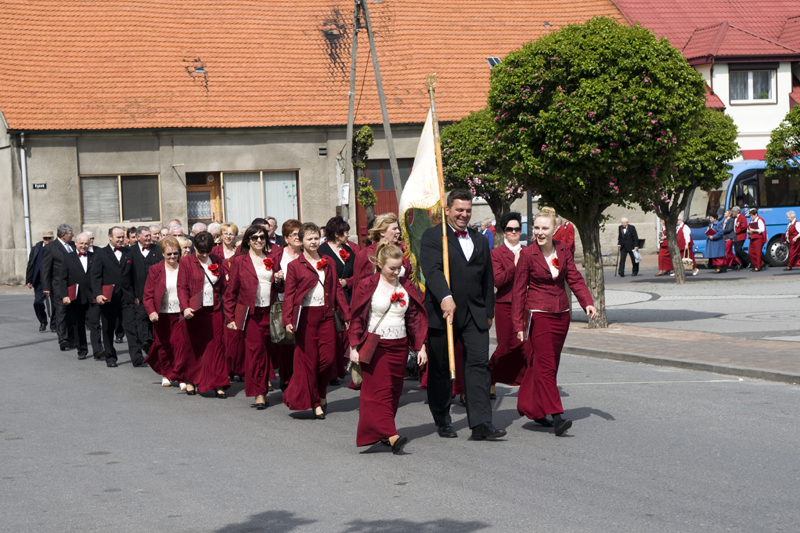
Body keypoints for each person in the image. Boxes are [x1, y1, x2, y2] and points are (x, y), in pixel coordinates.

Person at [420, 189, 504, 440]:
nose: (464, 215)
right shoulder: (433, 237)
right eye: (459, 210)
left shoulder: (479, 239)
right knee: (442, 368)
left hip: (475, 315)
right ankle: (442, 418)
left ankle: (481, 424)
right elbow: (432, 271)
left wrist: (489, 311)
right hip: (443, 313)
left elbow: (487, 278)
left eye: (468, 210)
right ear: (447, 210)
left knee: (478, 365)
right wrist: (445, 297)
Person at [512, 207, 596, 436]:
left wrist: (586, 301)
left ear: (554, 229)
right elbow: (519, 292)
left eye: (544, 228)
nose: (540, 232)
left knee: (545, 365)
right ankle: (557, 416)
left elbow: (575, 278)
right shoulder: (528, 254)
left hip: (562, 315)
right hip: (538, 314)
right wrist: (518, 325)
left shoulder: (563, 248)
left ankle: (532, 408)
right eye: (536, 228)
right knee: (547, 365)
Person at [349, 243, 428, 453]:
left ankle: (383, 432)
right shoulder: (368, 284)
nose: (396, 272)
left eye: (399, 267)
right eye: (392, 268)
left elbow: (413, 319)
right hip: (377, 346)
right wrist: (353, 346)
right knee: (381, 391)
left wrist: (420, 347)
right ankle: (392, 435)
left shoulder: (406, 286)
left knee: (394, 391)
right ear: (380, 265)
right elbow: (357, 316)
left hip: (400, 345)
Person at [282, 222, 350, 420]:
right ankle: (314, 401)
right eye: (309, 238)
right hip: (306, 318)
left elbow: (337, 289)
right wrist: (288, 319)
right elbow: (289, 295)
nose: (313, 242)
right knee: (309, 362)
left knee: (328, 360)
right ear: (301, 241)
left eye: (316, 238)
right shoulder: (294, 265)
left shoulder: (328, 260)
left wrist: (346, 314)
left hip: (327, 316)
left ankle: (321, 391)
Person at [223, 225, 279, 409]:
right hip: (251, 314)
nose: (258, 240)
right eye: (254, 237)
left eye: (262, 237)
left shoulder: (271, 259)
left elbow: (279, 289)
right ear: (248, 240)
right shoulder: (239, 261)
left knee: (267, 352)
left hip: (269, 312)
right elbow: (231, 293)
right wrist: (230, 318)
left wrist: (279, 279)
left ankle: (262, 385)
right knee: (255, 352)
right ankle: (259, 393)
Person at [177, 231, 226, 397]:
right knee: (193, 346)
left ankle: (218, 383)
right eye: (201, 252)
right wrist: (185, 307)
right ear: (194, 248)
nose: (205, 255)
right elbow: (182, 287)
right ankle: (191, 379)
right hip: (194, 310)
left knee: (216, 346)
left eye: (207, 251)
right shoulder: (185, 262)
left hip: (214, 308)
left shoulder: (218, 260)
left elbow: (224, 286)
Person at [91, 226, 143, 368]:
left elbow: (134, 275)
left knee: (131, 326)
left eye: (122, 237)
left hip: (126, 296)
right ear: (110, 237)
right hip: (108, 297)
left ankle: (137, 357)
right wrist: (98, 294)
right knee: (108, 328)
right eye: (118, 237)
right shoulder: (101, 253)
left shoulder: (128, 252)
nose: (121, 240)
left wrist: (136, 295)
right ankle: (110, 357)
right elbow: (95, 277)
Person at [489, 212, 528, 399]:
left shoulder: (529, 250)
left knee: (525, 347)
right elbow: (497, 281)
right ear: (503, 232)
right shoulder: (496, 254)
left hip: (526, 306)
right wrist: (514, 265)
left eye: (517, 229)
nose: (514, 232)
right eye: (510, 229)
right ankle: (490, 377)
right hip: (505, 304)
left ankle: (526, 383)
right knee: (505, 347)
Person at [319, 216, 358, 383]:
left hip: (347, 295)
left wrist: (347, 282)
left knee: (345, 332)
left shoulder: (348, 251)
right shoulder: (322, 250)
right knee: (333, 334)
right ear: (336, 233)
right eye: (345, 232)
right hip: (330, 297)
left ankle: (341, 366)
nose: (348, 235)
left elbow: (356, 274)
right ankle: (331, 370)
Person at [142, 237, 183, 387]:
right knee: (164, 344)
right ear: (162, 254)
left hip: (181, 313)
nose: (172, 257)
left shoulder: (184, 267)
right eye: (169, 254)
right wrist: (151, 311)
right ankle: (166, 372)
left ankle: (180, 375)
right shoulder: (155, 270)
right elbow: (148, 295)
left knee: (179, 344)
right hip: (162, 313)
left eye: (175, 253)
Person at [271, 219, 303, 391]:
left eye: (300, 234)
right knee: (286, 344)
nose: (298, 238)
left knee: (302, 345)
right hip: (284, 302)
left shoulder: (307, 253)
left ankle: (300, 378)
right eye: (294, 235)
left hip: (305, 304)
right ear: (286, 237)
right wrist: (276, 279)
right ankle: (286, 378)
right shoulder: (277, 255)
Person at [58, 233, 95, 360]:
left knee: (95, 323)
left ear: (90, 244)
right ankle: (82, 349)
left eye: (86, 244)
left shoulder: (94, 256)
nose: (83, 246)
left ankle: (98, 349)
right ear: (76, 243)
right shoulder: (68, 258)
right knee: (78, 324)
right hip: (76, 296)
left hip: (92, 295)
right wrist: (64, 295)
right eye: (81, 243)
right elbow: (62, 279)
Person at [41, 223, 75, 350]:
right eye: (70, 234)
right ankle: (63, 339)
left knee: (72, 312)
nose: (72, 236)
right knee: (61, 311)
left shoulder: (72, 246)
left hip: (72, 284)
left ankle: (72, 338)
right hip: (57, 284)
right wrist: (46, 287)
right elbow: (45, 268)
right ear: (63, 235)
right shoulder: (51, 248)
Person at [353, 213, 412, 285]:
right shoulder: (365, 254)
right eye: (394, 229)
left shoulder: (403, 250)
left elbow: (409, 280)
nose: (398, 231)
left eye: (398, 228)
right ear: (382, 232)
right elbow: (359, 285)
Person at [131, 226, 163, 355]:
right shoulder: (131, 251)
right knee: (141, 317)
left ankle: (154, 342)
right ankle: (145, 341)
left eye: (150, 235)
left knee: (154, 317)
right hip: (139, 292)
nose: (149, 238)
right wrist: (134, 295)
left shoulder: (158, 250)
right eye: (146, 236)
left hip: (156, 291)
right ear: (138, 237)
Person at [26, 230, 55, 332]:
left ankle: (54, 324)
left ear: (53, 238)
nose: (47, 240)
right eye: (45, 238)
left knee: (55, 304)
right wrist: (29, 279)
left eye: (49, 238)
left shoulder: (56, 248)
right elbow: (31, 264)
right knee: (37, 302)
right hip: (39, 280)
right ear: (43, 239)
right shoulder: (36, 249)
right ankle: (43, 321)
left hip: (53, 279)